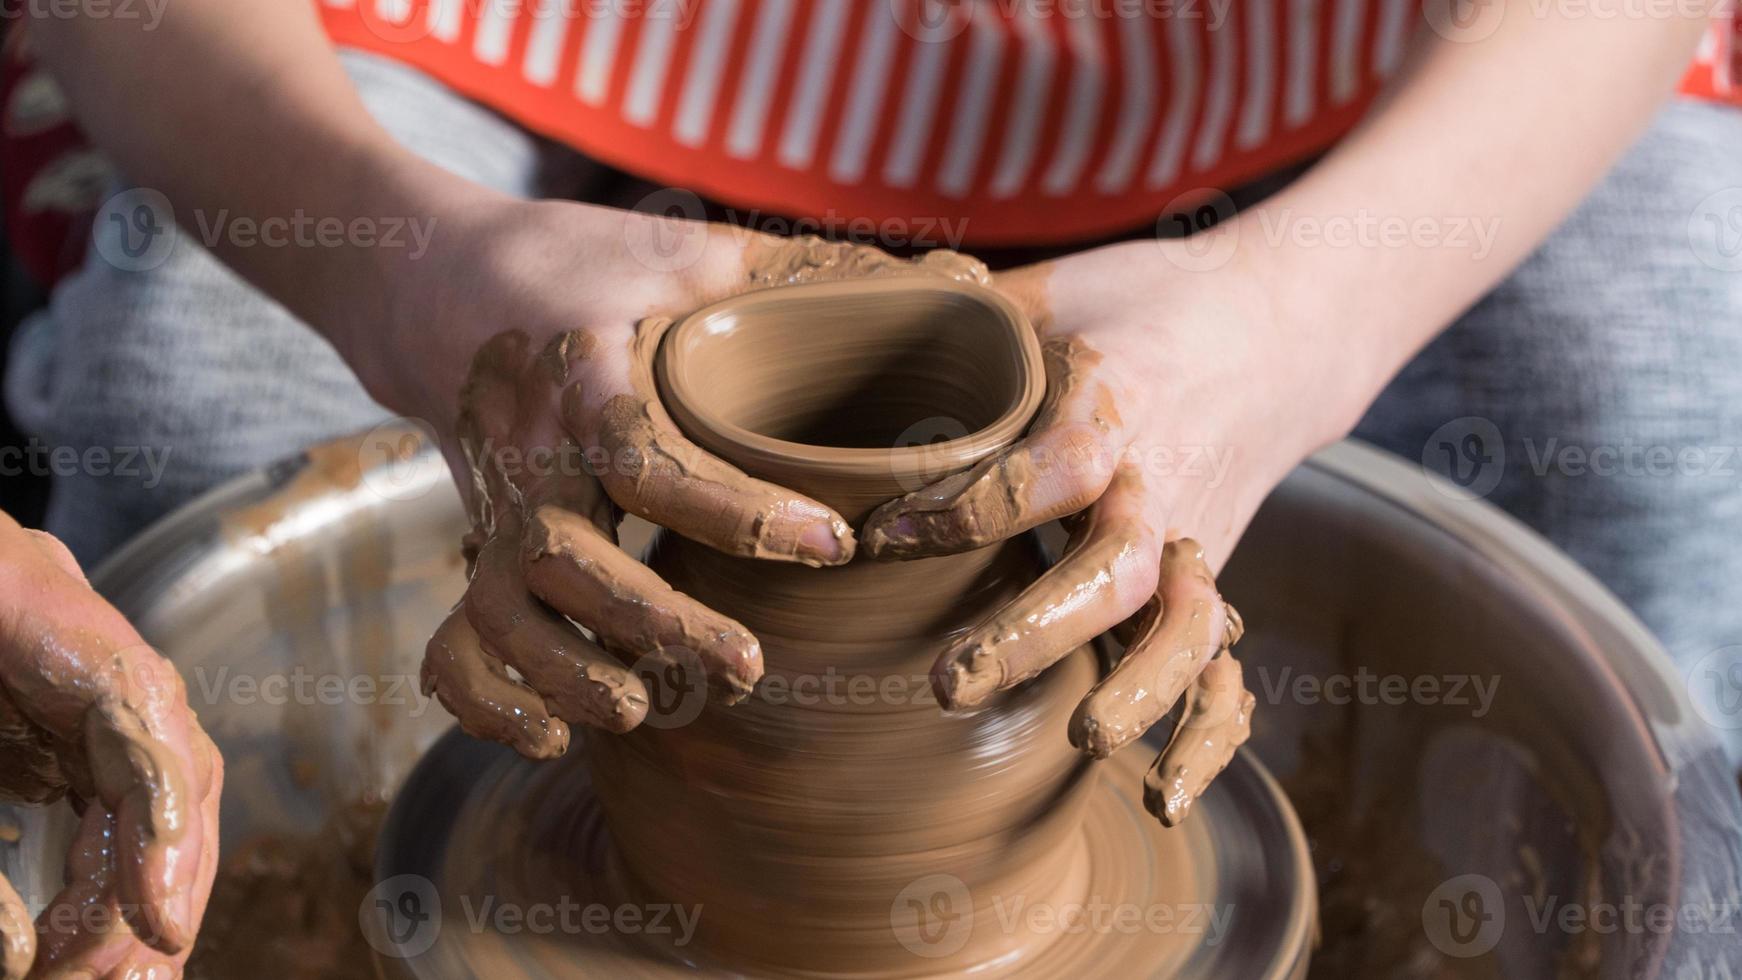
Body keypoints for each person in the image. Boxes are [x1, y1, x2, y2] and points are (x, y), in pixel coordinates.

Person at [3, 0, 1740, 971]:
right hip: (509, 37)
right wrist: (404, 271)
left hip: (1314, 56)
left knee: (1651, 379)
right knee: (197, 381)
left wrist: (1304, 314)